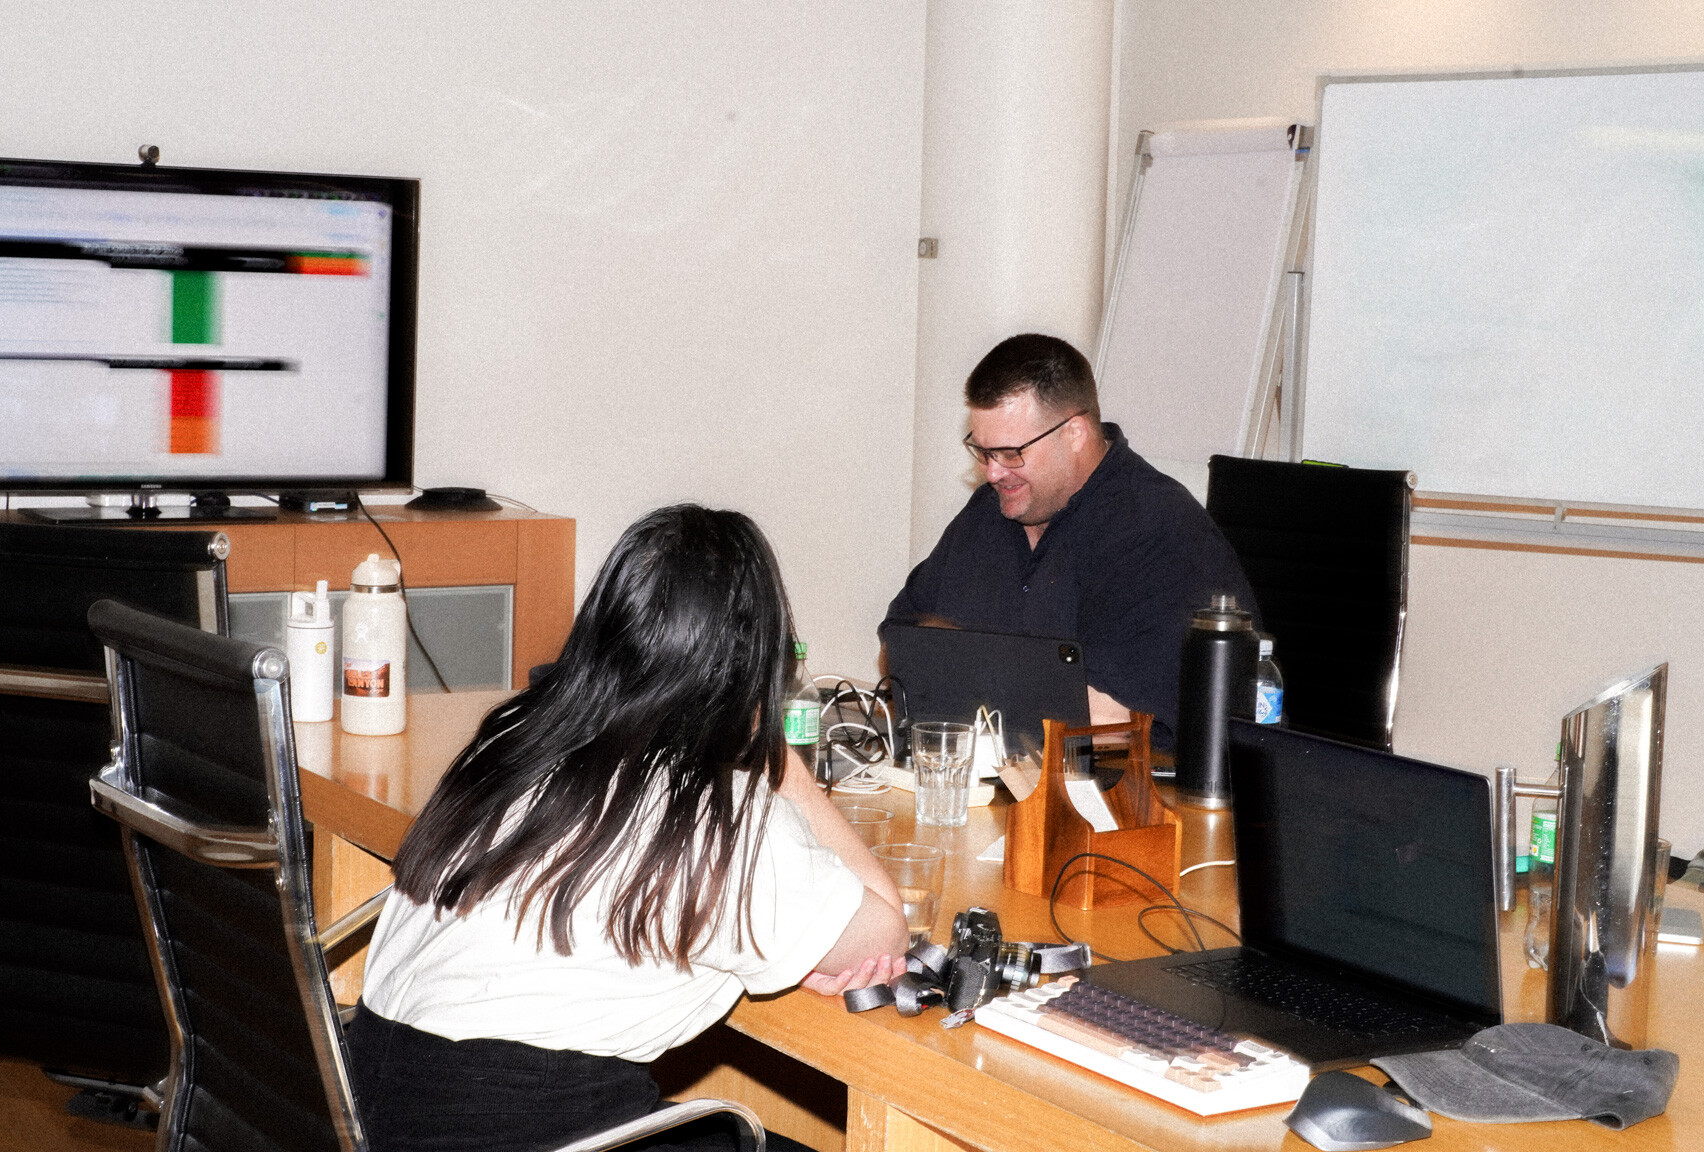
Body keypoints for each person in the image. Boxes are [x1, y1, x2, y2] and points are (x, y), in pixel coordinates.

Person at [349, 504, 910, 1152]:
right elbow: (885, 926)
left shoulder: (510, 745)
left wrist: (799, 929)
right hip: (528, 1128)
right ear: (752, 665)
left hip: (371, 1110)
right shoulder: (713, 811)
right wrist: (777, 759)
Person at [884, 333, 1255, 747]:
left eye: (1010, 453)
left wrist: (958, 678)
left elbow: (1119, 721)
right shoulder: (991, 511)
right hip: (995, 780)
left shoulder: (1157, 529)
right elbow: (900, 646)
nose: (993, 473)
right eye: (983, 452)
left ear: (1074, 433)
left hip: (1125, 798)